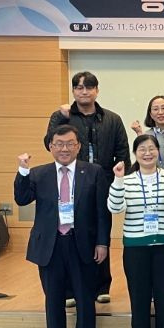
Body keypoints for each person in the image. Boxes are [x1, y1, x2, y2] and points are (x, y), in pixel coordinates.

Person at [15, 124, 110, 328]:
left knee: (85, 298)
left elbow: (102, 211)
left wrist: (102, 242)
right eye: (59, 144)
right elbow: (22, 199)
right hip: (51, 244)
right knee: (53, 299)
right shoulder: (39, 173)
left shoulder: (93, 172)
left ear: (78, 146)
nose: (64, 149)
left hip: (83, 243)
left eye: (69, 144)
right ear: (50, 146)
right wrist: (23, 170)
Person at [44, 71, 130, 304]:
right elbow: (48, 143)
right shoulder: (62, 116)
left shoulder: (112, 118)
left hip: (103, 183)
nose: (84, 91)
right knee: (70, 233)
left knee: (101, 231)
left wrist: (116, 183)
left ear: (97, 90)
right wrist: (60, 118)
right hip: (71, 183)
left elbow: (123, 152)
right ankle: (70, 290)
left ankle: (102, 286)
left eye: (89, 87)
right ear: (73, 91)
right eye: (79, 87)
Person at [107, 134, 164, 328]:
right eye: (142, 149)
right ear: (135, 154)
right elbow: (114, 207)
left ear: (158, 151)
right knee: (139, 299)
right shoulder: (126, 180)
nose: (147, 153)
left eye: (151, 149)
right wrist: (118, 179)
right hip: (135, 248)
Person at [130, 95, 164, 298]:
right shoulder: (146, 136)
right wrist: (138, 134)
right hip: (149, 192)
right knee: (150, 239)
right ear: (150, 113)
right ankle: (151, 285)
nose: (160, 112)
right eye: (155, 109)